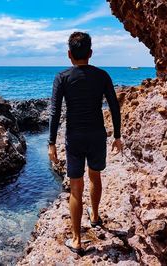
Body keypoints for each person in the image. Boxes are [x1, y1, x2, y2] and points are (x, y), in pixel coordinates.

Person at [48, 31, 122, 253]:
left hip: (74, 137)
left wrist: (51, 143)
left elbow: (55, 111)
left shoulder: (62, 77)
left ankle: (77, 240)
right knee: (95, 176)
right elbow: (114, 107)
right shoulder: (103, 76)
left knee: (75, 188)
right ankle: (96, 217)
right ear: (90, 53)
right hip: (97, 135)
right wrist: (117, 136)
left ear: (69, 54)